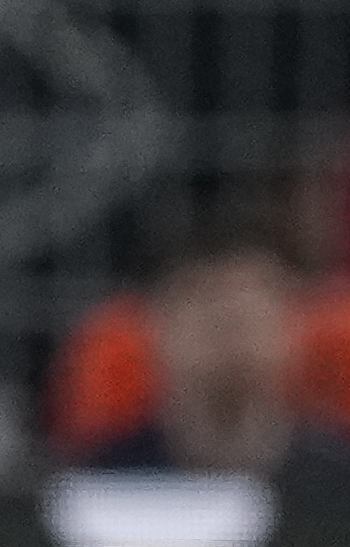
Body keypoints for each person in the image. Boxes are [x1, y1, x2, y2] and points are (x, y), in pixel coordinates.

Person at [73, 212, 350, 502]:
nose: (228, 333)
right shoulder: (102, 484)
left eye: (248, 311)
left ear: (292, 324)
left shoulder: (339, 483)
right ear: (155, 328)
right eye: (207, 311)